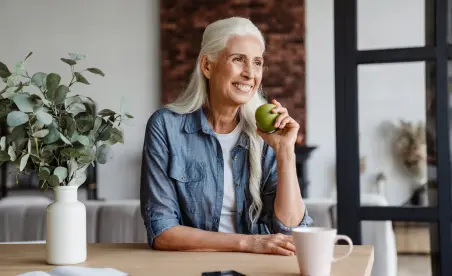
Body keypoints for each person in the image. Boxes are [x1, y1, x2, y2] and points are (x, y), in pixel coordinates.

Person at [140, 16, 312, 257]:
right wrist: (249, 243)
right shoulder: (166, 127)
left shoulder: (266, 133)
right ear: (207, 66)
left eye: (258, 62)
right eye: (238, 60)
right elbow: (162, 232)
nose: (250, 74)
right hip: (191, 268)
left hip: (258, 269)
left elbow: (292, 232)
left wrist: (285, 152)